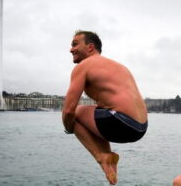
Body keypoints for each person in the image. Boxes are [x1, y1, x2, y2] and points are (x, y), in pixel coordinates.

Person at [62, 30, 148, 185]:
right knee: (98, 109)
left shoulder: (84, 66)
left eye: (75, 44)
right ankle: (108, 157)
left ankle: (101, 157)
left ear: (90, 47)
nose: (71, 49)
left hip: (121, 122)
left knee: (76, 113)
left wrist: (69, 128)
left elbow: (68, 110)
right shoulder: (119, 67)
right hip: (140, 127)